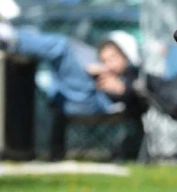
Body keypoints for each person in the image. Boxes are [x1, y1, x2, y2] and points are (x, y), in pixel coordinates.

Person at [0, 24, 146, 160]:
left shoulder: (131, 74)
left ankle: (13, 38)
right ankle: (20, 38)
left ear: (126, 57)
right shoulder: (108, 72)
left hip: (95, 103)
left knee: (63, 47)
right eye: (104, 60)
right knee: (65, 50)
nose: (108, 64)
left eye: (113, 58)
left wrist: (121, 86)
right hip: (73, 98)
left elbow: (133, 96)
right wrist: (97, 72)